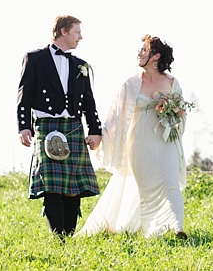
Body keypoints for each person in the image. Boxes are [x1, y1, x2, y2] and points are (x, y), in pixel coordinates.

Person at [78, 34, 189, 239]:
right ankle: (151, 231)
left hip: (166, 141)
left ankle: (177, 226)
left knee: (170, 182)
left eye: (144, 50)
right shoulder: (130, 84)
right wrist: (99, 136)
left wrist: (172, 113)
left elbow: (182, 113)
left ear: (156, 56)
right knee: (147, 188)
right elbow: (115, 116)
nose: (139, 53)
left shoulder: (172, 82)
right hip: (139, 144)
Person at [17, 15, 102, 237]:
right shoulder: (35, 59)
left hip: (73, 127)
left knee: (73, 188)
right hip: (47, 127)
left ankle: (69, 236)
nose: (80, 37)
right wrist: (24, 127)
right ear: (63, 31)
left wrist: (95, 130)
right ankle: (59, 239)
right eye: (77, 32)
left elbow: (88, 101)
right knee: (52, 186)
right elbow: (24, 96)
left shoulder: (80, 65)